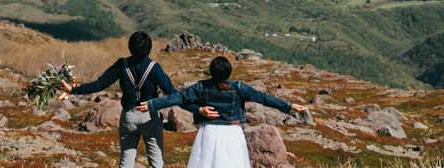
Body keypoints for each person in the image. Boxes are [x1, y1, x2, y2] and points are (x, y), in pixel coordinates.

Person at [61, 31, 207, 168]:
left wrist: (73, 90)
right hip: (150, 116)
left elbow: (99, 84)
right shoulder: (154, 68)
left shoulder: (121, 65)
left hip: (129, 116)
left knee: (126, 159)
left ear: (130, 48)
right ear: (149, 49)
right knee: (156, 162)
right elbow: (174, 95)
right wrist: (197, 109)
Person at [139, 56, 307, 168]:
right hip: (232, 133)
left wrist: (153, 104)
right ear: (229, 72)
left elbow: (178, 98)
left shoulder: (201, 86)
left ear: (211, 72)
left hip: (209, 131)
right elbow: (263, 98)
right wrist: (289, 106)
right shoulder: (239, 87)